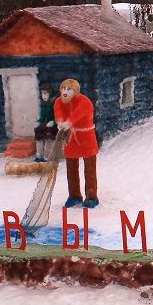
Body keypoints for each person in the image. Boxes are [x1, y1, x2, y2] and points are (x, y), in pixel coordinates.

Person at [54, 78, 99, 208]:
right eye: (64, 89)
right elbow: (58, 112)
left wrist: (69, 122)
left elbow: (78, 114)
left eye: (69, 89)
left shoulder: (84, 102)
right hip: (71, 138)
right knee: (71, 166)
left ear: (75, 91)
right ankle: (74, 195)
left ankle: (91, 196)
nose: (65, 92)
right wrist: (60, 122)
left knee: (89, 168)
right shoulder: (59, 101)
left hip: (86, 137)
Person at [33, 85, 57, 162]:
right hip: (46, 125)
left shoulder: (56, 103)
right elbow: (42, 116)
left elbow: (59, 116)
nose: (43, 96)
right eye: (42, 93)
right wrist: (39, 122)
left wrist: (53, 122)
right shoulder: (45, 104)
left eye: (45, 93)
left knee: (49, 137)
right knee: (39, 132)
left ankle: (48, 155)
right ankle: (39, 155)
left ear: (50, 93)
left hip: (55, 126)